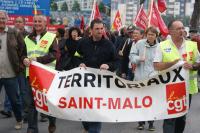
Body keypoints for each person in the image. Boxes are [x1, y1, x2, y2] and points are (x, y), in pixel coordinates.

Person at [153, 20, 200, 133]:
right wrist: (172, 63)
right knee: (169, 118)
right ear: (171, 31)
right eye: (178, 28)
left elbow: (198, 62)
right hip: (169, 88)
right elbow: (156, 66)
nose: (182, 31)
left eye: (183, 28)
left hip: (186, 89)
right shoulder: (162, 46)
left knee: (181, 117)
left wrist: (193, 66)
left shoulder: (192, 45)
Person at [76, 19, 117, 133]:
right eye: (97, 29)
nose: (100, 31)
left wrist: (108, 65)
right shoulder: (83, 42)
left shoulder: (109, 45)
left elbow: (116, 61)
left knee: (95, 112)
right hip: (84, 82)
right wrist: (79, 63)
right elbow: (75, 56)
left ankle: (93, 130)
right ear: (91, 30)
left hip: (101, 84)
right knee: (84, 109)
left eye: (101, 29)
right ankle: (86, 127)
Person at [23, 15, 58, 133]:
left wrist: (37, 60)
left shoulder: (51, 37)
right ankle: (32, 129)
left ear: (45, 23)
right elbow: (23, 54)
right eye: (35, 21)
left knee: (48, 103)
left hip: (46, 76)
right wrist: (24, 59)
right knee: (31, 103)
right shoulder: (27, 38)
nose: (37, 23)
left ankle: (52, 121)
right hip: (31, 75)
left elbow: (55, 55)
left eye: (40, 21)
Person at [0, 10, 26, 130]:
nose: (1, 20)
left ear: (7, 20)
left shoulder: (14, 32)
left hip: (11, 74)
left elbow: (22, 51)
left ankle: (19, 119)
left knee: (15, 101)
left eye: (3, 18)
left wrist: (20, 66)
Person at [129, 26, 158, 131]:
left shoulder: (159, 47)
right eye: (149, 34)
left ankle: (151, 123)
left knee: (151, 102)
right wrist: (138, 58)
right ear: (146, 34)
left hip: (153, 78)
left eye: (153, 34)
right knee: (141, 101)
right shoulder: (140, 44)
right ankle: (140, 122)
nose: (150, 36)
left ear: (156, 36)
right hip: (140, 77)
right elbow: (131, 56)